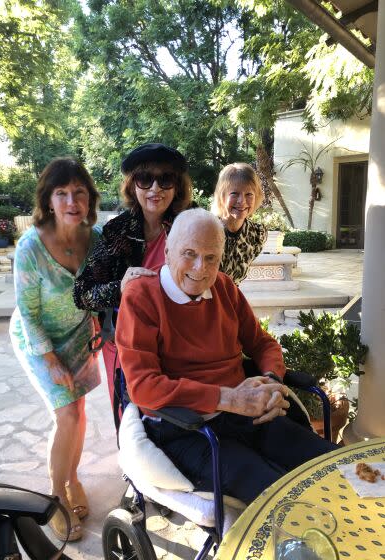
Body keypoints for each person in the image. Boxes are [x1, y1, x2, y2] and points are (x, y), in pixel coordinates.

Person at [115, 208, 338, 504]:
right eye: (189, 254)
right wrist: (229, 398)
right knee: (280, 497)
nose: (201, 268)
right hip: (186, 429)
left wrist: (271, 380)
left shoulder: (224, 286)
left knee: (331, 468)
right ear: (167, 250)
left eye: (211, 257)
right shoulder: (142, 296)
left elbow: (263, 344)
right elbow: (143, 387)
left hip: (245, 414)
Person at [9, 157, 102, 542]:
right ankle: (53, 499)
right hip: (38, 341)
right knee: (65, 414)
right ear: (48, 200)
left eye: (79, 192)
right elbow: (28, 314)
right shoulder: (30, 246)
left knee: (78, 412)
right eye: (61, 193)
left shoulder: (95, 240)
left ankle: (73, 478)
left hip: (78, 335)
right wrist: (49, 359)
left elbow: (101, 290)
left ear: (89, 198)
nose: (71, 201)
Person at [73, 143, 192, 396]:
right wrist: (121, 287)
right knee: (129, 421)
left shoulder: (189, 225)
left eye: (166, 179)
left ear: (178, 185)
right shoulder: (118, 231)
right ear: (132, 184)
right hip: (125, 344)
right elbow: (82, 292)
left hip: (179, 343)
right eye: (145, 179)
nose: (155, 188)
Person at [212, 163, 267, 284]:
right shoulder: (206, 229)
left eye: (249, 194)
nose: (242, 201)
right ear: (222, 196)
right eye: (234, 194)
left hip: (231, 300)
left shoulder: (258, 234)